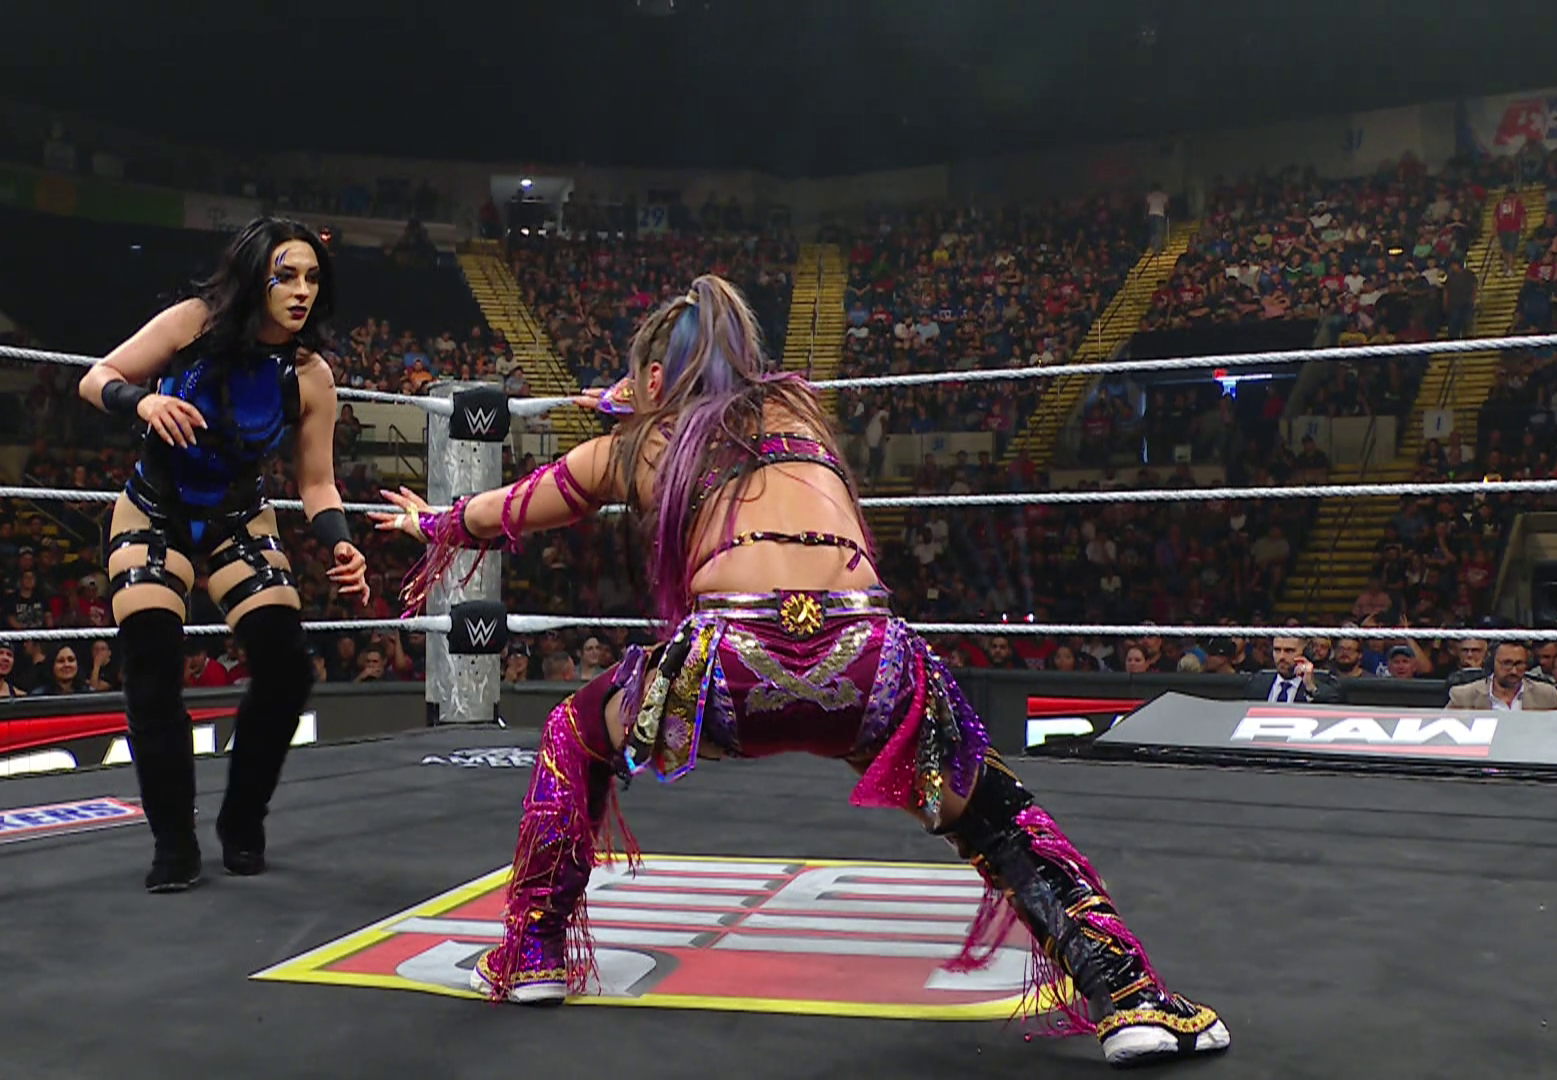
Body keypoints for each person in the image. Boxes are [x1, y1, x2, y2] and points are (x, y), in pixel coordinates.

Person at [371, 275, 1227, 1068]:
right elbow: (704, 388)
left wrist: (432, 522)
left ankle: (533, 953)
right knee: (998, 817)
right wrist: (643, 387)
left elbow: (503, 512)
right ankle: (1133, 998)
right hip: (869, 660)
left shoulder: (634, 446)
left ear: (656, 380)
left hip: (727, 668)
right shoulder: (797, 409)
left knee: (574, 732)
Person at [79, 217, 370, 893]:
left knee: (287, 667)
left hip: (238, 515)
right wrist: (143, 403)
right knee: (151, 658)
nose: (301, 291)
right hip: (156, 506)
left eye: (312, 278)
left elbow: (317, 482)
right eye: (286, 276)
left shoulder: (310, 375)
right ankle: (173, 840)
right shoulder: (193, 323)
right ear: (254, 278)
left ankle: (243, 817)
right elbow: (97, 378)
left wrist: (341, 541)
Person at [1446, 642, 1557, 711]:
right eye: (1507, 663)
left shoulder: (1547, 695)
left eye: (1519, 664)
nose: (1514, 671)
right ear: (1492, 662)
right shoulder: (1463, 697)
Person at [1244, 635, 1344, 703]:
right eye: (1277, 650)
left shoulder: (1325, 681)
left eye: (1289, 651)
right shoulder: (1258, 682)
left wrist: (1310, 687)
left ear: (1305, 653)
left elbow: (1336, 707)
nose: (1281, 657)